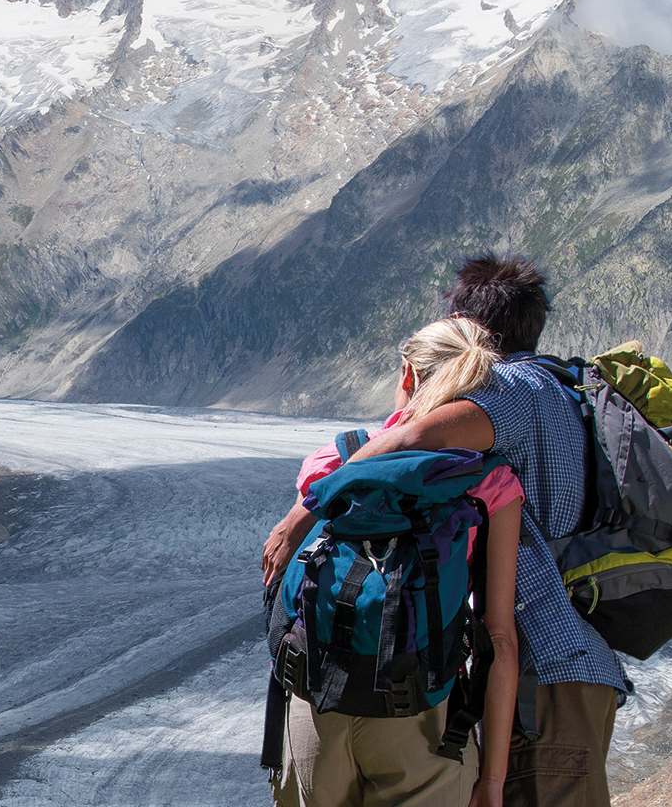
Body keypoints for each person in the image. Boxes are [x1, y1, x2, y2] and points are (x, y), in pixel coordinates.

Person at [263, 255, 630, 807]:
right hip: (548, 672)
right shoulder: (558, 394)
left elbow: (409, 438)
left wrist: (301, 515)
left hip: (533, 682)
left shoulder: (504, 390)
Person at [267, 317, 523, 807]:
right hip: (421, 717)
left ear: (407, 374)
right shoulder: (489, 484)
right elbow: (500, 640)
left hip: (316, 706)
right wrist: (492, 779)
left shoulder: (333, 461)